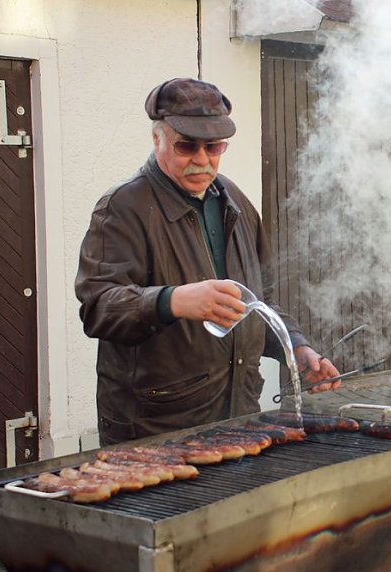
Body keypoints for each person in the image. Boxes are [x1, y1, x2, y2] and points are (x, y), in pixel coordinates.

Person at [75, 78, 340, 445]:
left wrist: (296, 348)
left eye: (213, 146)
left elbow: (262, 301)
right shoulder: (122, 207)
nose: (201, 160)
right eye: (186, 146)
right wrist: (174, 300)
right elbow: (98, 307)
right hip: (158, 426)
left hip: (239, 412)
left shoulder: (235, 200)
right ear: (158, 139)